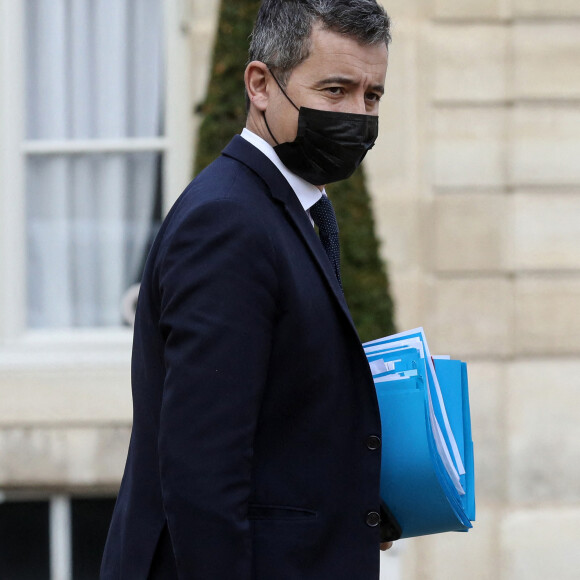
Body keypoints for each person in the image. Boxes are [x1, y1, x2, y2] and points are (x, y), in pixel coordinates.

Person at [101, 0, 393, 578]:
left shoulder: (281, 208)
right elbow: (202, 473)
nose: (357, 115)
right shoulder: (229, 222)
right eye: (335, 90)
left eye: (372, 96)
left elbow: (282, 426)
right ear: (260, 85)